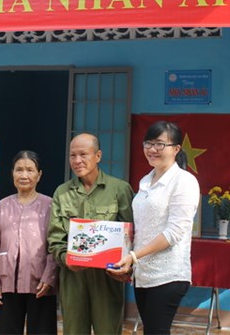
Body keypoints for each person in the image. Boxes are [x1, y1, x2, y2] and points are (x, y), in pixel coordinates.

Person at [108, 121, 200, 335]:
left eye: (160, 144)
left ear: (176, 149)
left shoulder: (184, 181)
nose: (152, 149)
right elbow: (141, 228)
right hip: (143, 275)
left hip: (168, 274)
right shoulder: (145, 181)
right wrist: (128, 259)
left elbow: (174, 232)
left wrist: (133, 256)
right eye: (148, 143)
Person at [47, 132, 134, 335]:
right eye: (72, 155)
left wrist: (126, 267)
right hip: (73, 277)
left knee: (108, 330)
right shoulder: (62, 192)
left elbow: (131, 235)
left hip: (108, 277)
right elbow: (55, 238)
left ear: (98, 156)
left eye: (83, 154)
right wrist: (66, 259)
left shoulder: (119, 189)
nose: (77, 160)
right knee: (73, 330)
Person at [0, 150, 58, 335]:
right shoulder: (1, 206)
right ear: (12, 173)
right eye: (19, 170)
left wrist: (49, 277)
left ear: (39, 175)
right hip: (7, 283)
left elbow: (55, 245)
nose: (24, 175)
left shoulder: (50, 205)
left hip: (41, 284)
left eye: (30, 170)